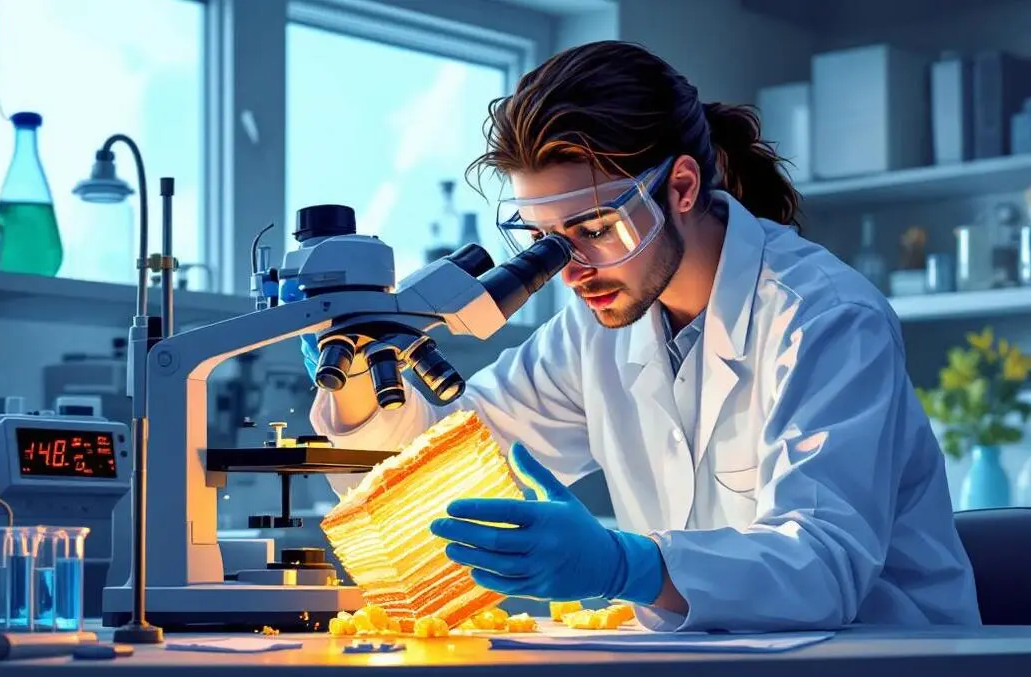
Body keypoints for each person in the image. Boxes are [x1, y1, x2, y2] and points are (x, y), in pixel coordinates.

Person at [301, 41, 980, 632]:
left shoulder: (824, 319)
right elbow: (447, 468)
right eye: (543, 242)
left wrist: (629, 564)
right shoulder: (591, 331)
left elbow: (824, 568)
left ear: (681, 186)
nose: (573, 271)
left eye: (596, 230)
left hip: (883, 653)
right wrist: (360, 396)